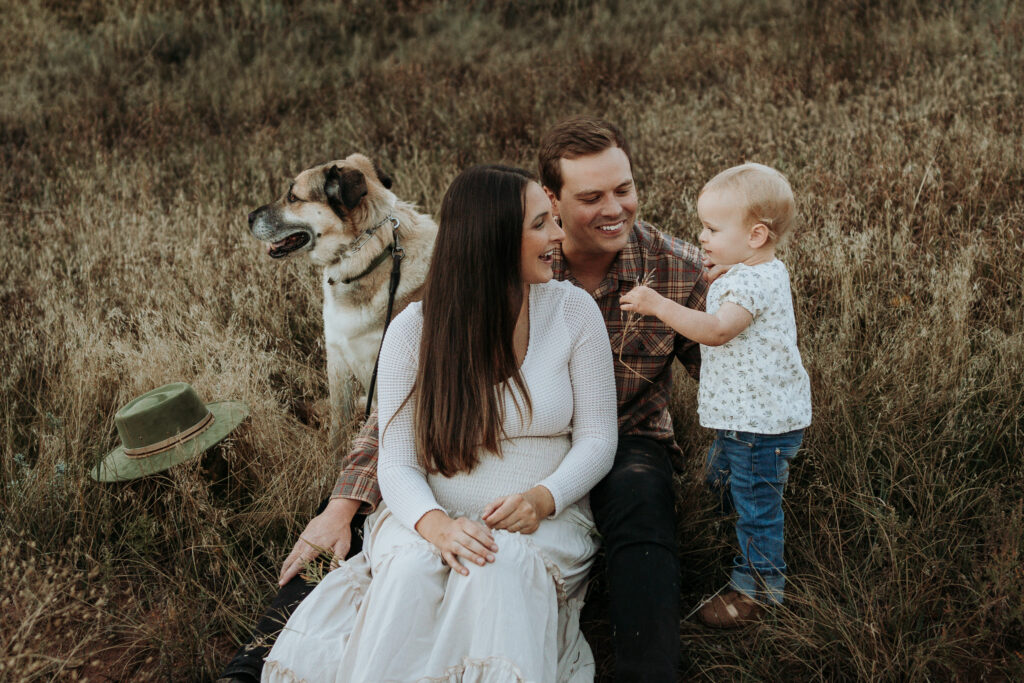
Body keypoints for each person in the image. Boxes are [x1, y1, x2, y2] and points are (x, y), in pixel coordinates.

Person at [220, 117, 708, 682]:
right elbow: (397, 426)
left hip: (613, 444)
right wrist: (344, 501)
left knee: (639, 495)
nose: (614, 209)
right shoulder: (447, 303)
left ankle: (648, 673)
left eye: (624, 190)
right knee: (359, 540)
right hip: (459, 448)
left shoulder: (669, 270)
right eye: (591, 197)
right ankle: (252, 665)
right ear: (547, 202)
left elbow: (719, 379)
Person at [260, 164, 618, 681]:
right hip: (427, 514)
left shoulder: (572, 311)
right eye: (541, 224)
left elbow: (598, 438)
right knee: (410, 574)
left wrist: (544, 498)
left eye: (554, 221)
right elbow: (398, 462)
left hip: (541, 524)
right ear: (491, 237)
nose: (559, 236)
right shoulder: (416, 329)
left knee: (497, 570)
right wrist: (438, 527)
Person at [620, 162, 812, 627]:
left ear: (756, 235)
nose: (701, 238)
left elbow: (718, 330)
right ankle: (720, 526)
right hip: (751, 419)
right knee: (722, 479)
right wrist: (725, 269)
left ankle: (759, 590)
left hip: (757, 426)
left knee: (757, 508)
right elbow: (738, 285)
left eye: (711, 228)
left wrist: (657, 303)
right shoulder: (762, 269)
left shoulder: (747, 282)